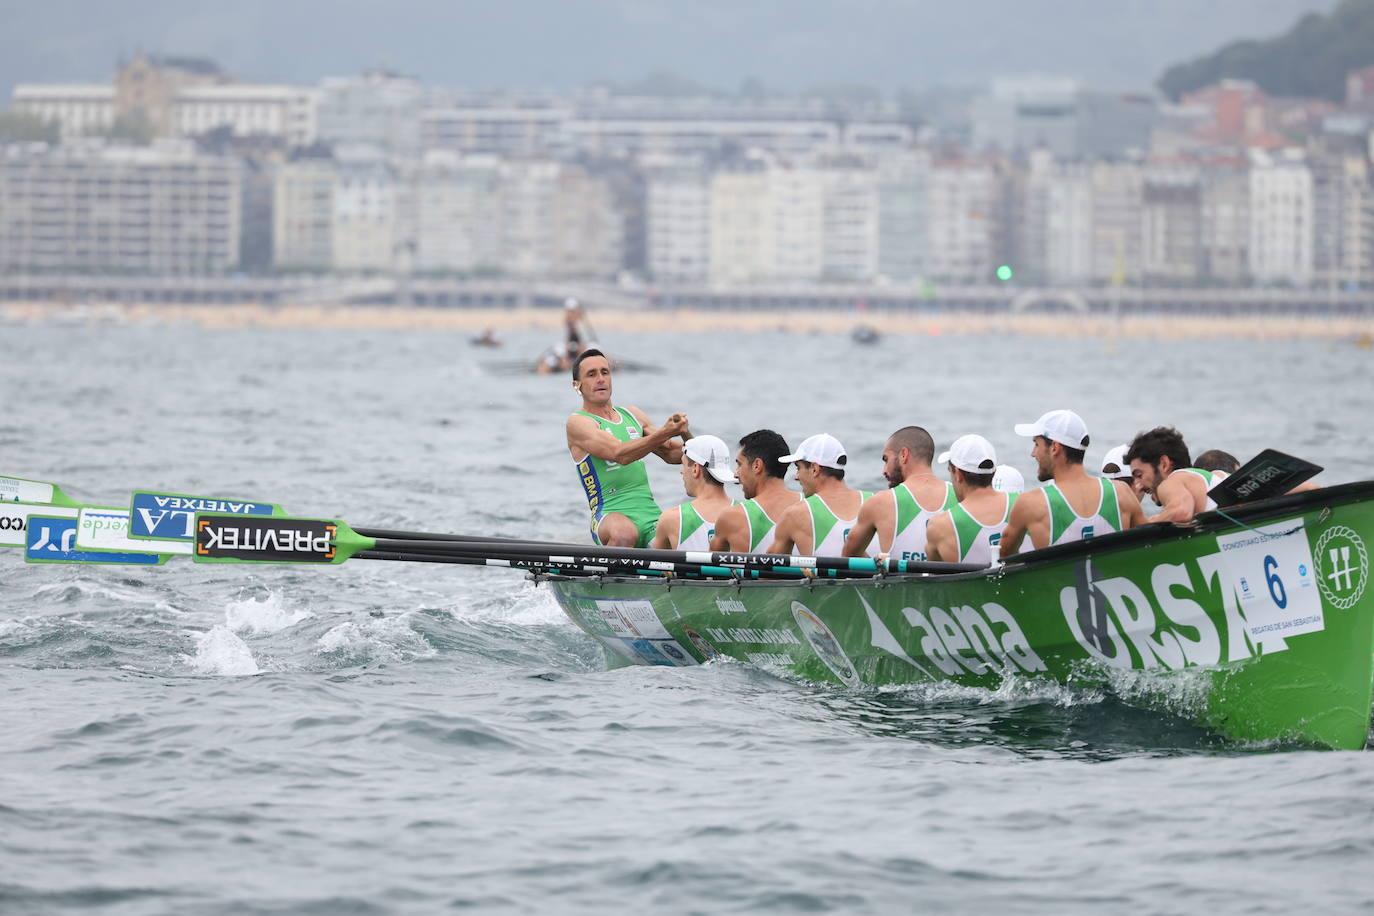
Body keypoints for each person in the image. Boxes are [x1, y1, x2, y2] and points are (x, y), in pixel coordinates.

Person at [565, 348, 691, 547]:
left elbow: (672, 454)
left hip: (649, 514)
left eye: (604, 372)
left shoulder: (633, 415)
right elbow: (619, 453)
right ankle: (607, 575)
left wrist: (686, 435)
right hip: (609, 514)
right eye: (591, 374)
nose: (600, 379)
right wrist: (665, 432)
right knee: (625, 535)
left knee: (682, 531)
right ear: (576, 385)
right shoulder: (578, 423)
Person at [1001, 410, 1145, 555]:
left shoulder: (1031, 504)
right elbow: (1150, 542)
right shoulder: (1121, 493)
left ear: (1055, 448)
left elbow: (1003, 558)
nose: (1033, 453)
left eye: (1036, 444)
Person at [843, 426, 954, 561]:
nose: (883, 470)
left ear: (903, 455)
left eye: (886, 459)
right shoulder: (962, 497)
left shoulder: (880, 502)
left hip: (900, 581)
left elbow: (848, 557)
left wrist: (877, 564)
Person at [771, 434, 876, 557]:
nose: (796, 476)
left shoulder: (795, 514)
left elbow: (768, 571)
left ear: (815, 469)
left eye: (798, 467)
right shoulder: (876, 503)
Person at [926, 435, 1016, 566]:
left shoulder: (939, 525)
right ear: (994, 472)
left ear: (957, 473)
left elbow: (933, 578)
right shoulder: (1024, 505)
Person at [710, 430, 801, 553]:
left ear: (757, 465)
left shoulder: (732, 517)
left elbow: (710, 567)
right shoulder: (810, 509)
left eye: (739, 465)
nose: (736, 474)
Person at [1125, 427, 1227, 524]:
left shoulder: (1170, 482)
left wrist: (1144, 524)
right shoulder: (1214, 476)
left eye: (1139, 475)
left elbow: (1181, 512)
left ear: (1164, 464)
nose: (1138, 485)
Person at [652, 435, 736, 550]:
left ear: (695, 469)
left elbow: (660, 565)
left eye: (683, 464)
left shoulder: (671, 518)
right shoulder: (746, 515)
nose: (682, 471)